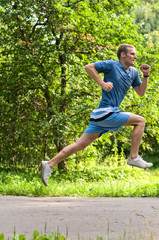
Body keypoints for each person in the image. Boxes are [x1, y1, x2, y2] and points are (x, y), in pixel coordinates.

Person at [41, 44, 153, 186]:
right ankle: (133, 157)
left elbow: (141, 92)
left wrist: (146, 76)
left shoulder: (134, 73)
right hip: (105, 113)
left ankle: (49, 164)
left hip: (103, 116)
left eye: (135, 54)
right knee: (140, 121)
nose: (135, 57)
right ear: (123, 55)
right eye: (132, 54)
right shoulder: (112, 65)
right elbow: (88, 67)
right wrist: (102, 83)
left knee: (79, 145)